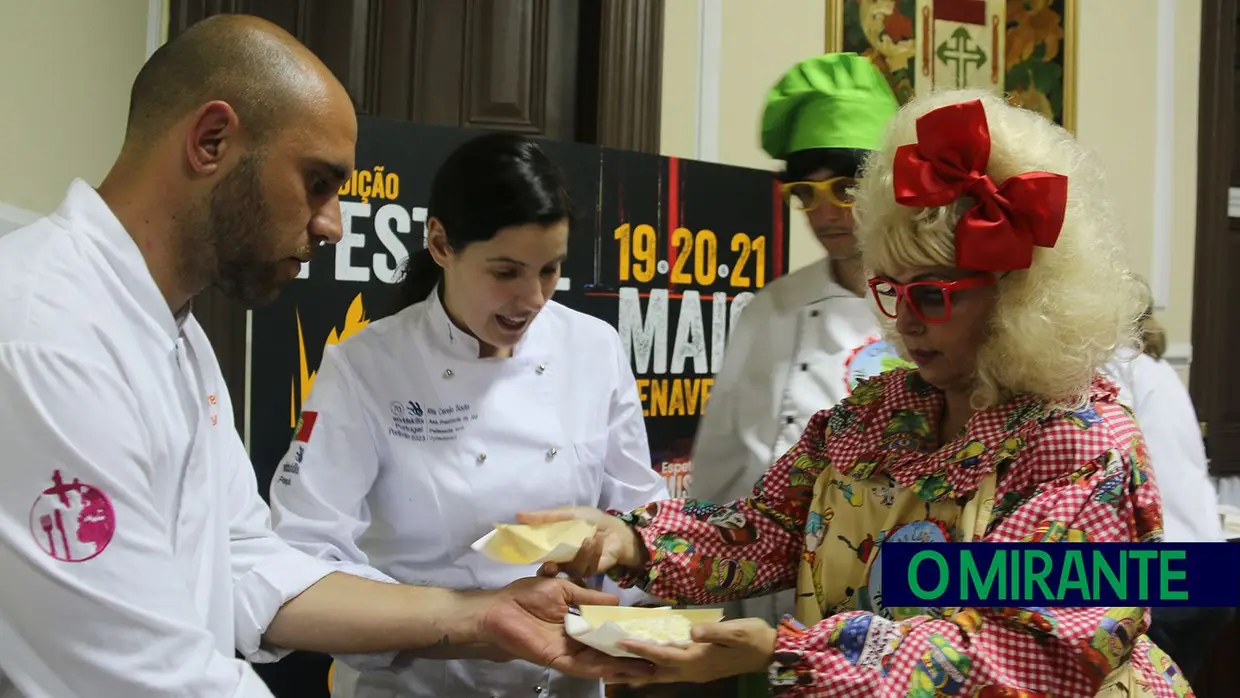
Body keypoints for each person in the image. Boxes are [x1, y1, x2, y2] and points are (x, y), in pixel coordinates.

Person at [0, 15, 651, 698]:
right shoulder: (49, 340)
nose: (332, 224)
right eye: (318, 182)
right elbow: (138, 674)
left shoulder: (177, 337)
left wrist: (478, 616)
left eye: (548, 272)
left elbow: (248, 563)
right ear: (210, 141)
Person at [523, 90, 1196, 697]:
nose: (904, 320)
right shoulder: (875, 416)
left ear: (1017, 297)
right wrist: (629, 542)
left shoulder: (1084, 450)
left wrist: (790, 654)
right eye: (891, 290)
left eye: (932, 294)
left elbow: (1025, 655)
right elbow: (765, 532)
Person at [267, 131, 670, 697]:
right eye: (505, 272)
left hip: (564, 682)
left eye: (550, 270)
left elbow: (643, 515)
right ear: (440, 244)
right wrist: (470, 619)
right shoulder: (365, 367)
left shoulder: (594, 348)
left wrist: (616, 560)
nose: (532, 298)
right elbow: (302, 559)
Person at [689, 53, 912, 631]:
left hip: (901, 616)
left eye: (845, 187)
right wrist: (693, 598)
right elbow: (724, 467)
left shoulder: (941, 305)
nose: (824, 212)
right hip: (771, 608)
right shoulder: (774, 308)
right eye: (804, 193)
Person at [1101, 290, 1229, 680]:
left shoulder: (1112, 372)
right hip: (1213, 568)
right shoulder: (1157, 369)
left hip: (1164, 574)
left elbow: (1106, 474)